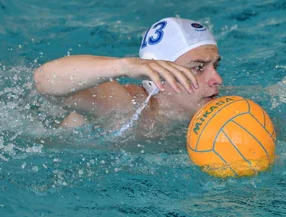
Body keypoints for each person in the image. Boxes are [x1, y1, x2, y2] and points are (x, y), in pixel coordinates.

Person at [33, 17, 223, 137]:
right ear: (157, 73)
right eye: (198, 67)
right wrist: (125, 66)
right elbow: (43, 80)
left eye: (215, 66)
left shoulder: (209, 104)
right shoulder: (125, 107)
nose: (217, 79)